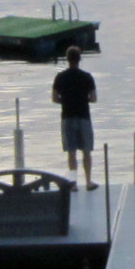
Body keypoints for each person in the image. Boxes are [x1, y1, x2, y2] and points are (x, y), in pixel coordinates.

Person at [51, 45, 97, 188]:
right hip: (83, 116)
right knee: (86, 151)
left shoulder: (60, 77)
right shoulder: (87, 77)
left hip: (67, 117)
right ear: (79, 59)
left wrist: (65, 100)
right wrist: (83, 99)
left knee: (71, 152)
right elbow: (94, 98)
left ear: (67, 59)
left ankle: (73, 183)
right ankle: (88, 182)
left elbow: (54, 98)